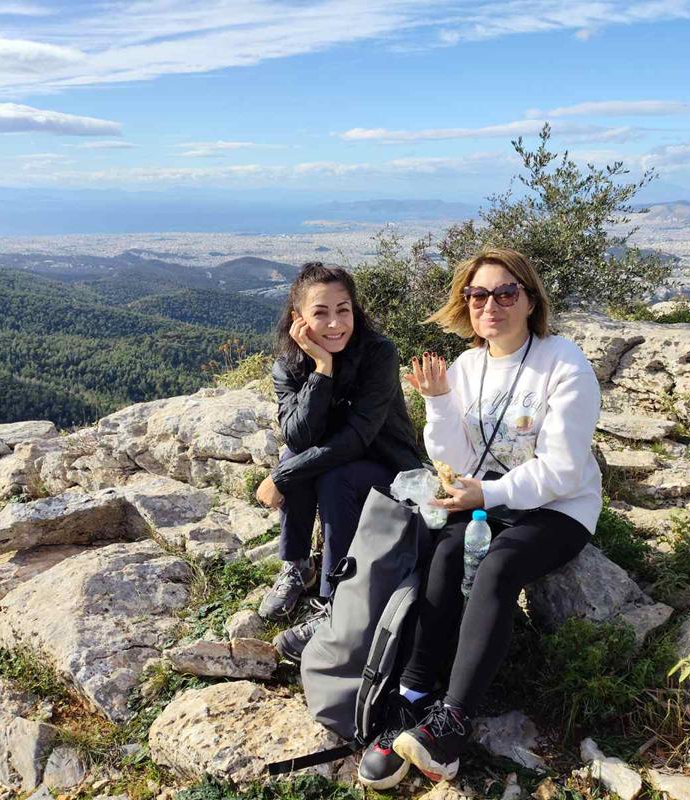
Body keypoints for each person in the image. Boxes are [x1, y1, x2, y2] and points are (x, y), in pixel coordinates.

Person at [357, 247, 602, 789]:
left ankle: (452, 725)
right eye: (478, 294)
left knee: (497, 567)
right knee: (444, 555)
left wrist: (487, 494)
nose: (491, 305)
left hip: (559, 508)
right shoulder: (467, 367)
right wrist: (440, 402)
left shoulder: (564, 363)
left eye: (506, 293)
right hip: (488, 500)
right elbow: (457, 461)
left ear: (530, 300)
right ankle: (413, 694)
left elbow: (563, 469)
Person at [256, 261, 422, 663]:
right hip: (337, 460)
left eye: (343, 310)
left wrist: (281, 476)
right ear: (299, 319)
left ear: (355, 311)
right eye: (321, 312)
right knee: (297, 456)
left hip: (386, 465)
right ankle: (298, 565)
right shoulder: (288, 365)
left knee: (328, 476)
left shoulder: (379, 353)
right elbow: (298, 436)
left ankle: (336, 601)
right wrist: (322, 369)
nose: (334, 324)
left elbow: (359, 437)